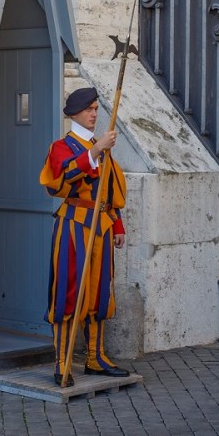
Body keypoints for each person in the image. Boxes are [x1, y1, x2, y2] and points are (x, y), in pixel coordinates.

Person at [39, 86, 129, 387]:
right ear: (75, 112)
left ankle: (95, 357)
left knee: (99, 294)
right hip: (74, 227)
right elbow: (59, 180)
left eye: (95, 109)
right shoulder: (62, 146)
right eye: (89, 109)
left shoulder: (100, 147)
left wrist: (117, 226)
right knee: (68, 293)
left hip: (101, 226)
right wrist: (95, 150)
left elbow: (110, 190)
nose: (94, 114)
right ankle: (62, 362)